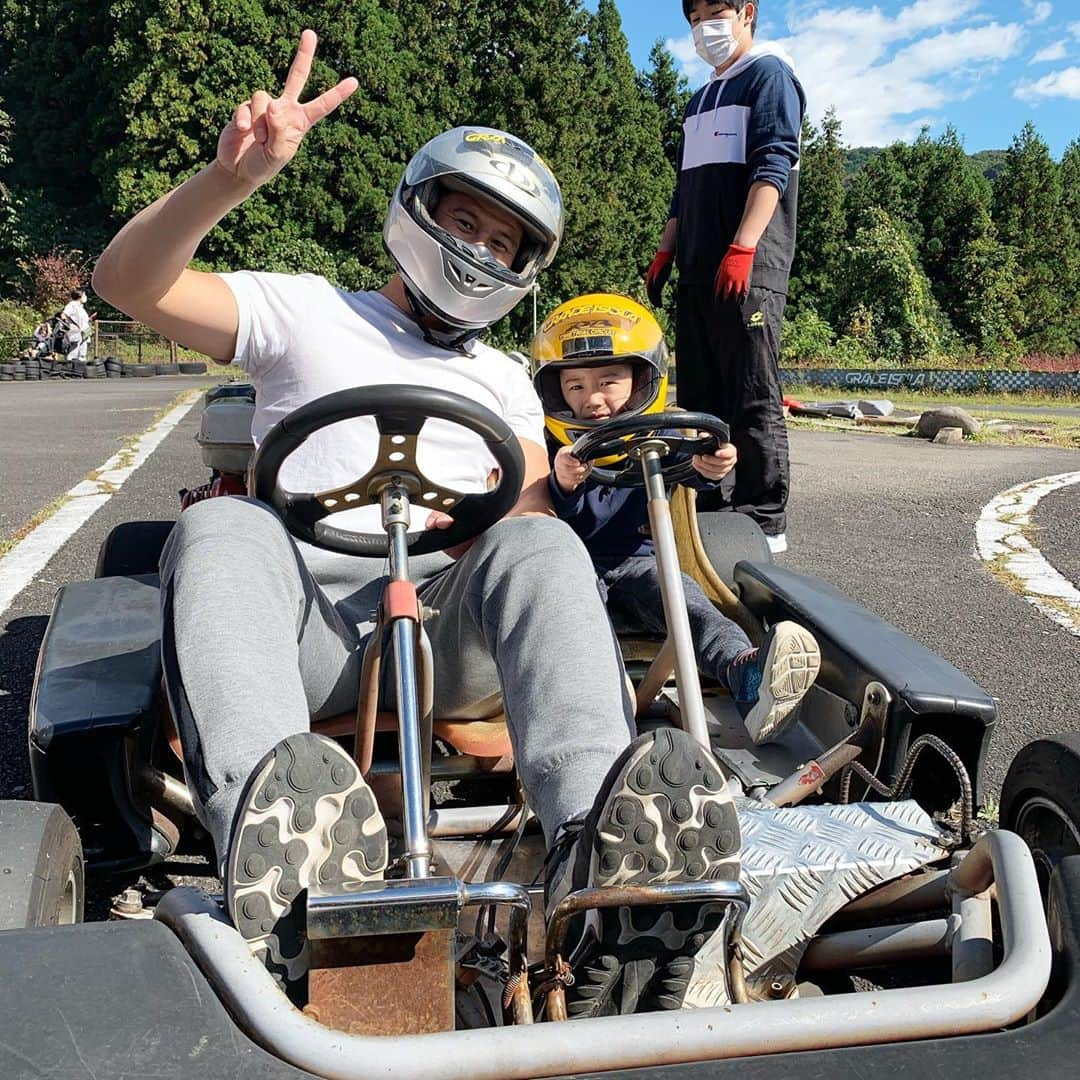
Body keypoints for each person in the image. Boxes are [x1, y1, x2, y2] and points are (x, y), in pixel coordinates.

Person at [92, 30, 742, 1017]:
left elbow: (529, 534)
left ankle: (600, 874)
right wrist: (225, 183)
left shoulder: (501, 382)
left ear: (524, 264)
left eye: (503, 241)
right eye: (465, 221)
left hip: (444, 640)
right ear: (417, 210)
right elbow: (125, 285)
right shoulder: (304, 312)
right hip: (302, 626)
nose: (480, 250)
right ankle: (290, 884)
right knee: (222, 534)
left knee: (539, 543)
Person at [532, 294, 820, 744]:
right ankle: (589, 725)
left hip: (638, 564)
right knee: (573, 633)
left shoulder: (664, 431)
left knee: (690, 604)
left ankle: (745, 675)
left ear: (642, 378)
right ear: (554, 390)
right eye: (576, 386)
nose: (593, 399)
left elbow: (696, 473)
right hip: (568, 569)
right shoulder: (547, 446)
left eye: (609, 381)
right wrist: (564, 483)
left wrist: (712, 466)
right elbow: (539, 509)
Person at [645, 0, 805, 555]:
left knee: (752, 391)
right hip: (697, 266)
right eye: (693, 19)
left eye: (715, 12)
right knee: (700, 395)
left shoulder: (769, 75)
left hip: (748, 265)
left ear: (746, 12)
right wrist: (667, 251)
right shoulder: (698, 100)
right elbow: (683, 188)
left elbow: (774, 165)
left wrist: (743, 246)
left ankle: (764, 517)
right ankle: (708, 502)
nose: (703, 28)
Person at [60, 288, 91, 362]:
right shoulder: (72, 305)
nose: (85, 297)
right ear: (80, 296)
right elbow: (63, 315)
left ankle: (79, 368)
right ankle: (69, 367)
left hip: (84, 333)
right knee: (73, 352)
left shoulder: (81, 307)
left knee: (82, 354)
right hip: (75, 333)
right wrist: (70, 325)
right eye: (84, 295)